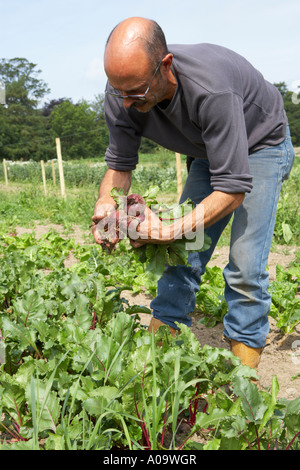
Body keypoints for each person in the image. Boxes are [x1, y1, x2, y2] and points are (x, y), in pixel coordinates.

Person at [92, 17, 295, 369]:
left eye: (135, 92)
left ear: (165, 67)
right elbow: (119, 168)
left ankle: (241, 379)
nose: (125, 102)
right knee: (184, 252)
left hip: (260, 143)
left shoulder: (210, 88)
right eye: (117, 91)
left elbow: (231, 190)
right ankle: (161, 356)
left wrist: (168, 229)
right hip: (207, 149)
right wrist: (106, 204)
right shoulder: (122, 93)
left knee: (245, 265)